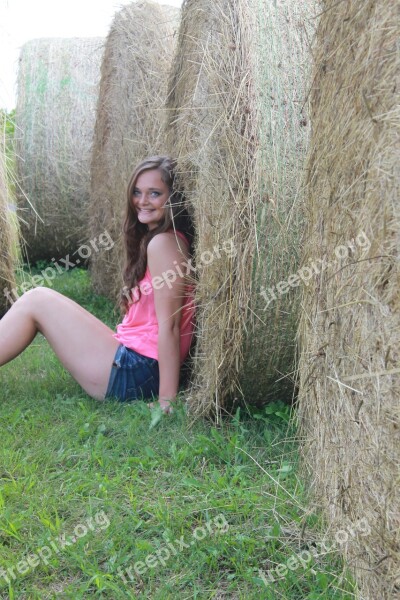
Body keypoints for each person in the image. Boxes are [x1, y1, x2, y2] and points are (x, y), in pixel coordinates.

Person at [0, 156, 195, 414]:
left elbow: (170, 325)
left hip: (138, 371)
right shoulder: (163, 240)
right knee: (38, 299)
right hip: (136, 361)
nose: (142, 201)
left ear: (173, 199)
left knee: (36, 300)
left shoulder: (164, 245)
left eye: (155, 193)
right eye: (137, 192)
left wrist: (167, 400)